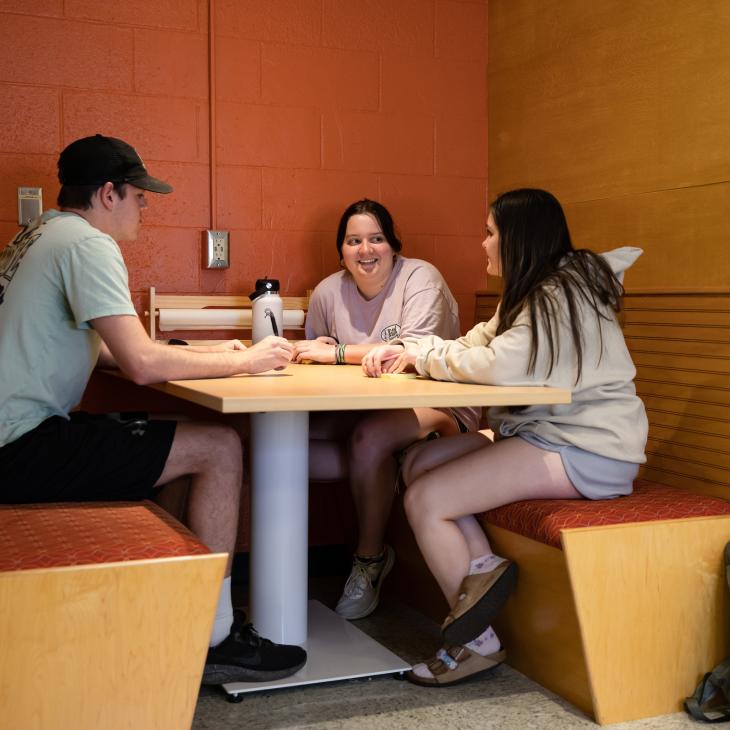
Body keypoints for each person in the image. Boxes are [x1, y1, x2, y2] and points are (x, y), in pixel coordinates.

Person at [0, 134, 306, 685]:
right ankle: (212, 641)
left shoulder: (39, 234)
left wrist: (214, 353)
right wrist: (247, 363)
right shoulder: (88, 245)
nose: (146, 206)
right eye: (140, 195)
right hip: (20, 449)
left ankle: (176, 610)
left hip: (19, 438)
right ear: (109, 193)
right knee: (217, 445)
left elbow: (121, 354)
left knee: (184, 442)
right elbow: (141, 364)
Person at [363, 188, 648, 686]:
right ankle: (484, 570)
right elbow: (476, 342)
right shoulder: (533, 289)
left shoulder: (563, 293)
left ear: (517, 237)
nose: (484, 244)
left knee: (427, 501)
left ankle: (476, 643)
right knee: (417, 465)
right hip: (550, 435)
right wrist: (412, 348)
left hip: (588, 448)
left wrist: (426, 359)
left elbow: (501, 365)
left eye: (490, 233)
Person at [292, 199, 479, 620]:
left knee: (371, 438)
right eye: (353, 241)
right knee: (282, 442)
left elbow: (411, 353)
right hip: (364, 406)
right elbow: (314, 357)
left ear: (394, 245)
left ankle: (370, 559)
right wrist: (322, 353)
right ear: (341, 250)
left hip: (440, 405)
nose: (365, 250)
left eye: (376, 239)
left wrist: (338, 352)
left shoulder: (420, 278)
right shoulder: (327, 292)